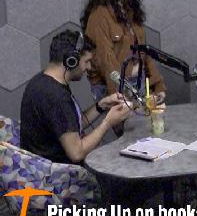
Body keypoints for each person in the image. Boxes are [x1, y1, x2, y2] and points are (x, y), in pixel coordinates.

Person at [20, 30, 131, 164]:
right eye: (86, 61)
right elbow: (76, 153)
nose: (89, 67)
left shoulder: (41, 81)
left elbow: (69, 126)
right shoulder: (55, 97)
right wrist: (108, 122)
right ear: (71, 61)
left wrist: (101, 105)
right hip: (62, 173)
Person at [81, 0, 166, 105]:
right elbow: (107, 64)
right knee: (130, 120)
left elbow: (143, 53)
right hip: (115, 90)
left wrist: (157, 86)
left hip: (137, 83)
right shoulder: (99, 17)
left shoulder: (130, 12)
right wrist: (122, 98)